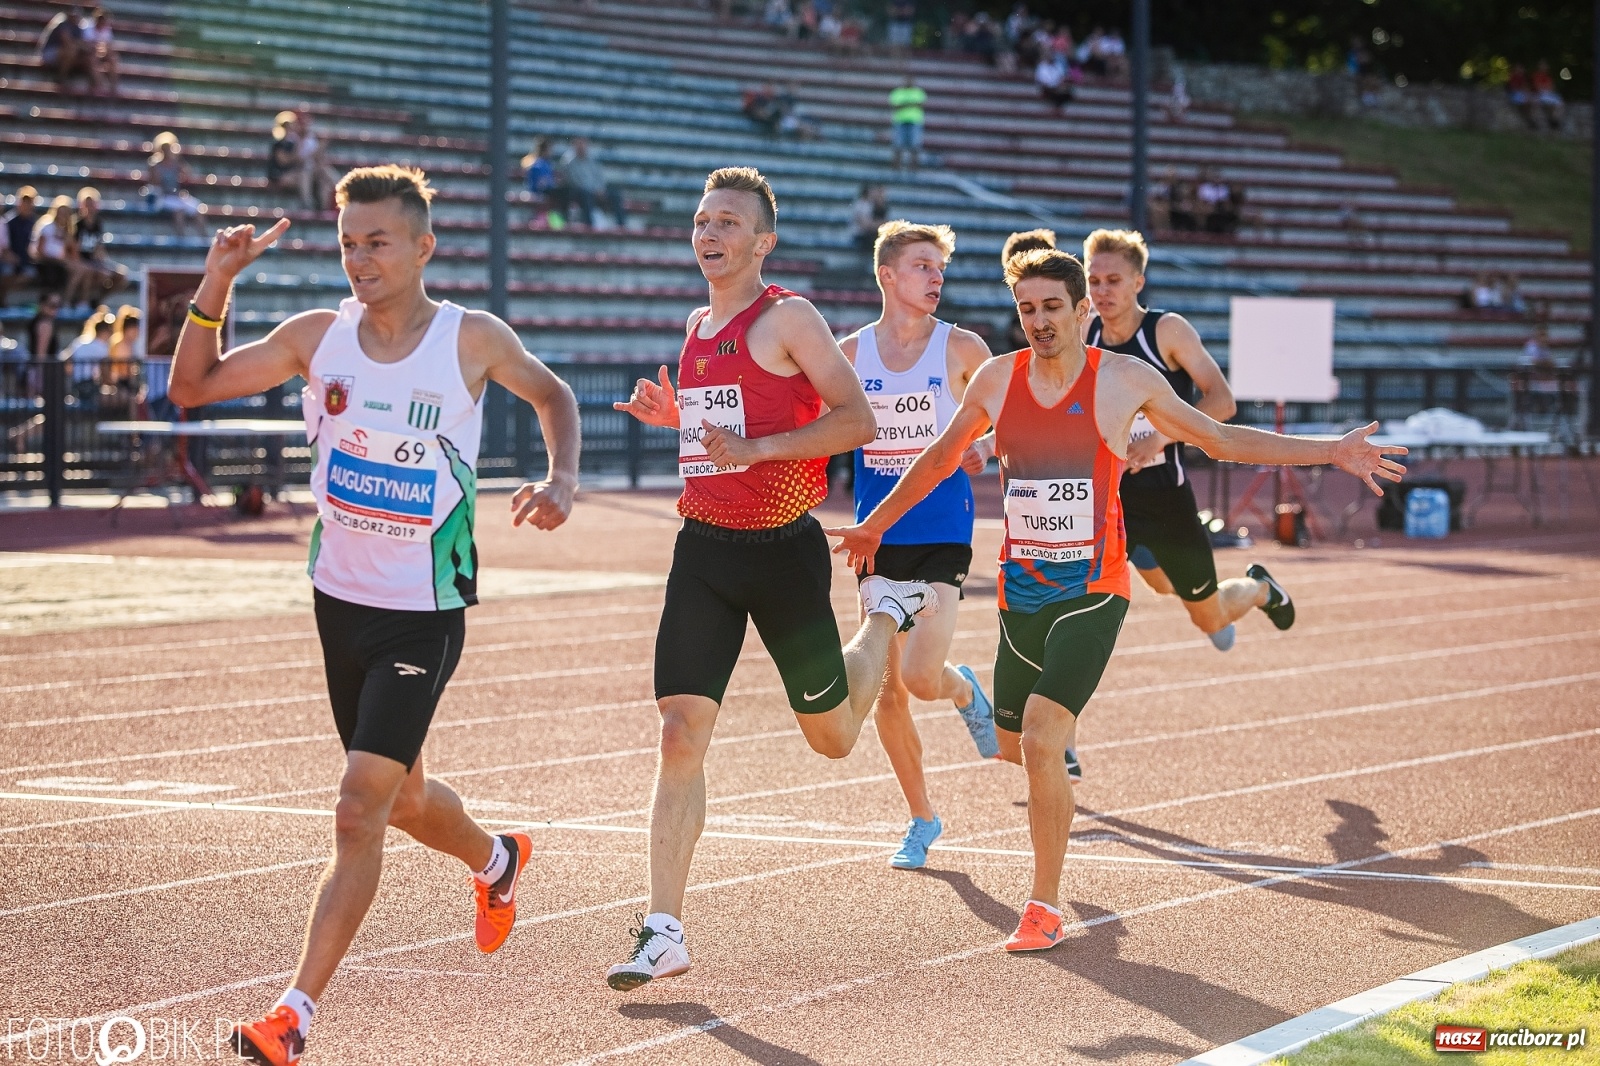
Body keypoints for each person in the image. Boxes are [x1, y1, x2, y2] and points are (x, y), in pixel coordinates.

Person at [828, 247, 1406, 953]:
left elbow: (1219, 438)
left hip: (1093, 592)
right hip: (1022, 594)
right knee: (1016, 746)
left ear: (1081, 312)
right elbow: (939, 458)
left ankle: (1042, 907)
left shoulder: (1124, 379)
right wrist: (875, 523)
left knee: (1041, 738)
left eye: (1052, 307)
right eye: (1026, 309)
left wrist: (1328, 451)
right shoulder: (995, 380)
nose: (1039, 321)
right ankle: (1034, 754)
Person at [166, 165, 582, 1066]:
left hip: (422, 611)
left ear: (424, 247)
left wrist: (562, 477)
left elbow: (555, 396)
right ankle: (499, 859)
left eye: (379, 242)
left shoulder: (472, 340)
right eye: (350, 243)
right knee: (404, 800)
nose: (361, 259)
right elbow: (191, 390)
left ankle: (294, 1014)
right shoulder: (320, 337)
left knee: (359, 806)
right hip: (338, 603)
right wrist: (217, 282)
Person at [606, 167, 937, 991]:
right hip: (705, 551)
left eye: (726, 222)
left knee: (831, 738)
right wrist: (677, 417)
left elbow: (855, 419)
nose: (708, 232)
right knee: (680, 732)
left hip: (783, 550)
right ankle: (664, 930)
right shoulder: (694, 323)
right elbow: (728, 423)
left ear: (763, 242)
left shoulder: (789, 316)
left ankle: (886, 617)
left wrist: (754, 453)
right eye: (700, 218)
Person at [841, 220, 999, 869]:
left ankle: (963, 690)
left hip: (941, 525)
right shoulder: (847, 353)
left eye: (940, 268)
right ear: (887, 274)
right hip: (877, 529)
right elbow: (793, 414)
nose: (936, 279)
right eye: (922, 267)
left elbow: (1005, 417)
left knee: (920, 676)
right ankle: (921, 818)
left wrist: (985, 447)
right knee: (887, 691)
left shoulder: (962, 347)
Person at [1080, 227, 1304, 655]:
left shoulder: (1165, 331)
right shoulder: (1086, 333)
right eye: (1094, 281)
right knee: (1160, 585)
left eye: (1113, 281)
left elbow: (1222, 401)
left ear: (1138, 282)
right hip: (1115, 497)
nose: (1102, 291)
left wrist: (1160, 440)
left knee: (1209, 618)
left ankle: (1258, 589)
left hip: (1166, 497)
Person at [66, 186, 128, 311]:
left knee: (121, 276)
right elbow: (73, 249)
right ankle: (80, 302)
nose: (89, 207)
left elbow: (98, 249)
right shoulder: (76, 224)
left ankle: (98, 300)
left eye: (92, 204)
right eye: (87, 204)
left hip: (93, 261)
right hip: (79, 260)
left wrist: (106, 264)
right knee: (90, 272)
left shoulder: (98, 223)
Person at [561, 138, 628, 228]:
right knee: (585, 194)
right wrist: (593, 190)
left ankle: (621, 225)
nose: (582, 147)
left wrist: (600, 189)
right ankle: (589, 225)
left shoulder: (592, 161)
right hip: (582, 192)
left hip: (596, 191)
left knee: (615, 195)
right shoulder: (569, 162)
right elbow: (573, 181)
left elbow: (599, 178)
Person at [147, 132, 203, 237]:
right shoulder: (154, 165)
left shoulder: (176, 163)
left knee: (198, 208)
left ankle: (204, 238)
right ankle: (181, 237)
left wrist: (178, 162)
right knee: (179, 211)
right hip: (162, 197)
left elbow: (188, 174)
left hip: (176, 196)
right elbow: (155, 183)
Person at [31, 195, 81, 299]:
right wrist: (58, 260)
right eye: (61, 212)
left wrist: (69, 240)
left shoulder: (67, 231)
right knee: (54, 272)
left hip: (58, 263)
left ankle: (67, 300)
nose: (62, 216)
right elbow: (39, 252)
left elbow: (74, 255)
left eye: (66, 213)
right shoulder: (46, 226)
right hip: (45, 262)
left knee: (79, 271)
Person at [62, 305, 113, 402]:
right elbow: (106, 373)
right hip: (89, 386)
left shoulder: (79, 342)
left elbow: (67, 363)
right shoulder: (101, 347)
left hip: (75, 384)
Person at [293, 111, 340, 210]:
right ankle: (307, 205)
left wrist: (321, 148)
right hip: (298, 170)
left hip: (314, 169)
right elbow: (297, 160)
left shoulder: (313, 137)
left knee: (325, 183)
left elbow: (318, 158)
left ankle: (324, 210)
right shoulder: (293, 139)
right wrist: (319, 147)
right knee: (305, 175)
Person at [1, 187, 39, 307]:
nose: (27, 205)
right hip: (7, 259)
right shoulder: (8, 221)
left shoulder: (32, 222)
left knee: (30, 274)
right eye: (24, 202)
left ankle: (3, 293)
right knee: (7, 271)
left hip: (24, 260)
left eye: (29, 202)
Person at [520, 137, 569, 227]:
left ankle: (559, 220)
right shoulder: (536, 164)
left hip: (547, 190)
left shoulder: (547, 163)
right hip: (539, 191)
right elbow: (538, 183)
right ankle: (560, 219)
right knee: (562, 193)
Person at [37, 7, 89, 90]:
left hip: (64, 53)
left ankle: (97, 87)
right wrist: (81, 46)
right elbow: (68, 42)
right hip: (49, 53)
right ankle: (61, 77)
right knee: (71, 51)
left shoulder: (78, 29)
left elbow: (83, 45)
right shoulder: (62, 24)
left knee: (88, 57)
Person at [889, 74, 927, 171]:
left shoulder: (918, 92)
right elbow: (895, 106)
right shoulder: (898, 92)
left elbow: (921, 104)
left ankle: (913, 169)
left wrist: (905, 104)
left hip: (915, 122)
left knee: (915, 146)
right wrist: (911, 104)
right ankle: (896, 168)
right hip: (900, 121)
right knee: (898, 145)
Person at [266, 111, 303, 195]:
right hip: (278, 175)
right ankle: (307, 202)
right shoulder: (278, 143)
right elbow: (283, 161)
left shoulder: (292, 143)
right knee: (304, 177)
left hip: (290, 174)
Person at [851, 183, 890, 256]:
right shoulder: (861, 205)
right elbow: (866, 225)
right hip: (861, 235)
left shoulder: (870, 205)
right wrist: (881, 224)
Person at [86, 8, 118, 95]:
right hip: (86, 53)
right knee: (93, 58)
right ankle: (99, 84)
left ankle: (113, 85)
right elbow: (86, 44)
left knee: (113, 58)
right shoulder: (88, 27)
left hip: (99, 52)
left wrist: (105, 51)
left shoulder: (106, 29)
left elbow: (108, 45)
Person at [1532, 61, 1565, 131]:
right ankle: (1552, 122)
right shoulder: (1537, 75)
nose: (1544, 67)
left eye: (1545, 66)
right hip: (1541, 95)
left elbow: (1552, 87)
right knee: (1549, 104)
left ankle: (1554, 120)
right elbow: (1538, 87)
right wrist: (1546, 87)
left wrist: (1547, 87)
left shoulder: (1548, 76)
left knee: (1560, 103)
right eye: (1543, 65)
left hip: (1549, 94)